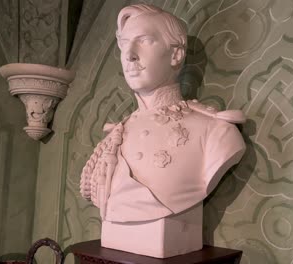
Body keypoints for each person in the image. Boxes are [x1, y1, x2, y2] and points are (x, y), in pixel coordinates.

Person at [79, 3, 246, 257]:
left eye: (144, 41)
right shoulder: (115, 136)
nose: (129, 55)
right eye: (125, 44)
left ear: (176, 54)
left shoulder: (215, 132)